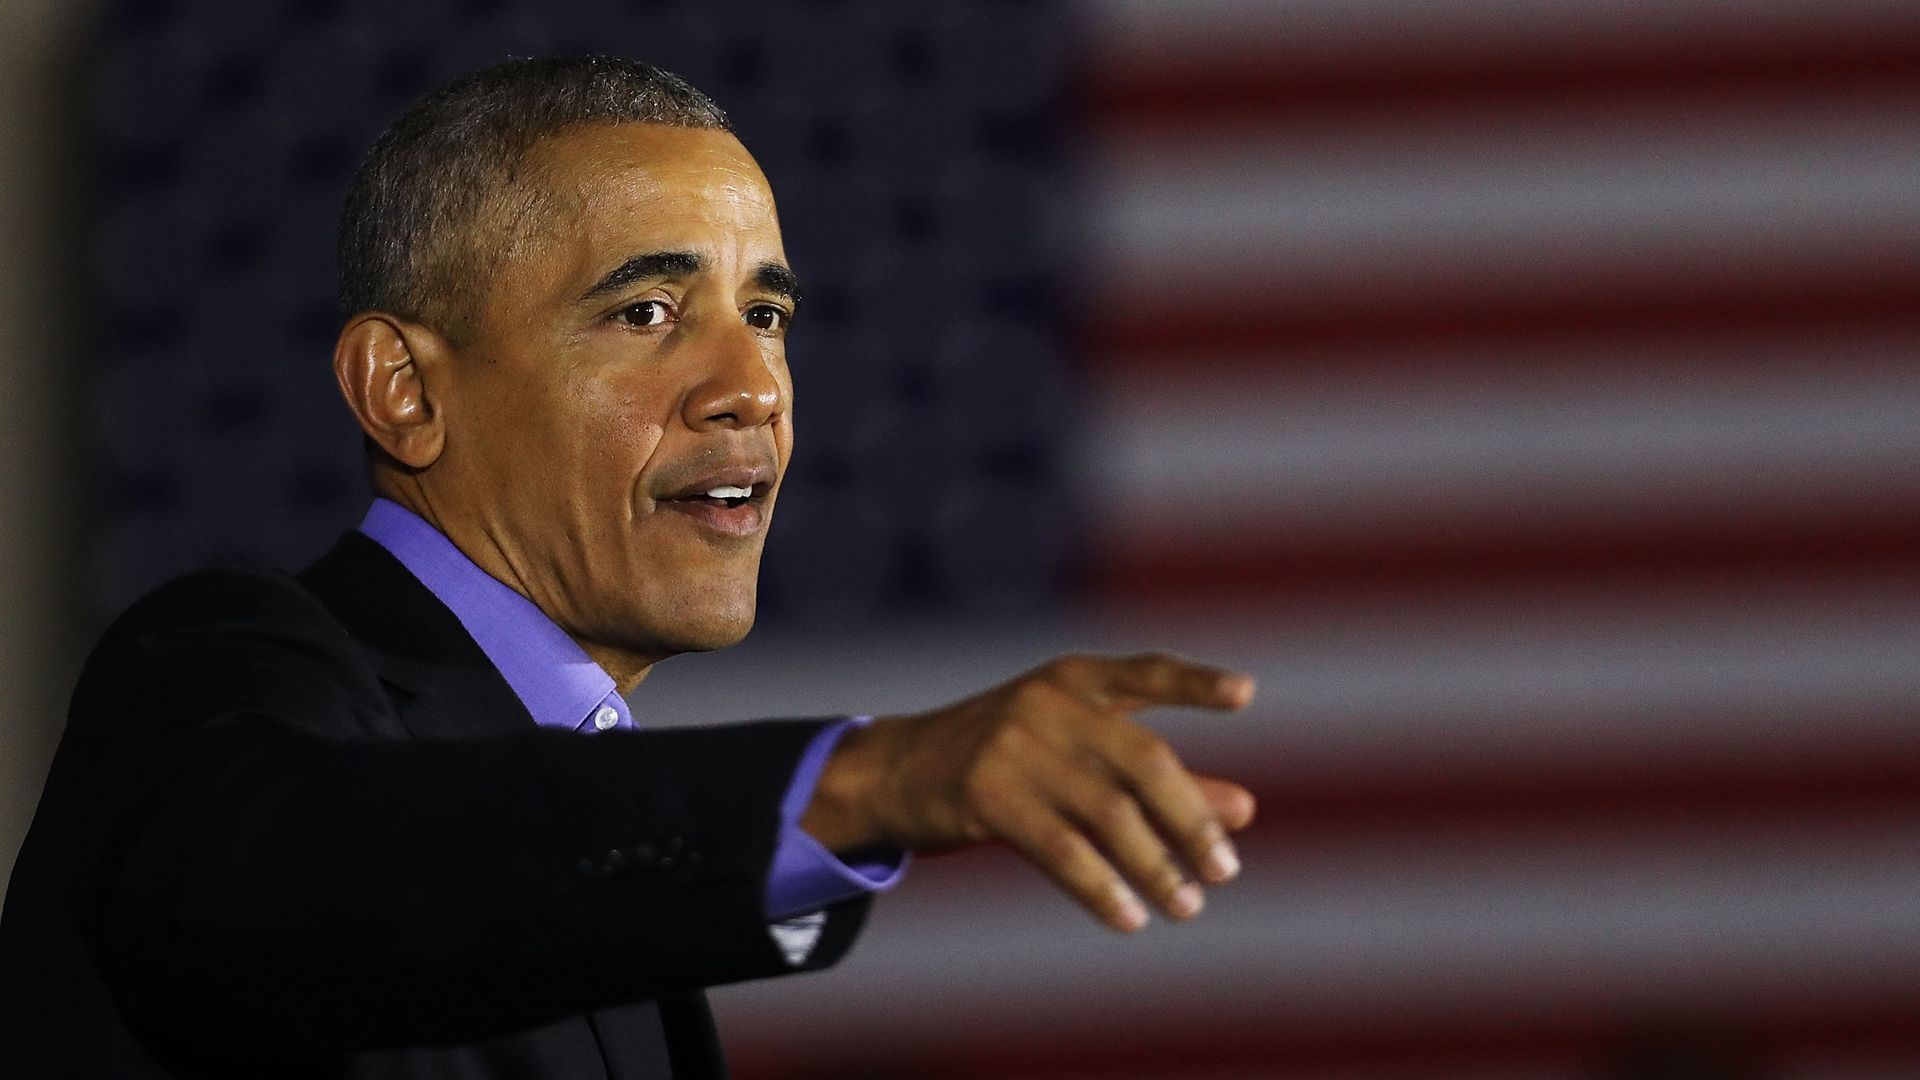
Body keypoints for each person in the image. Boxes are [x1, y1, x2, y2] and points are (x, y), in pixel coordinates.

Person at [0, 56, 1256, 1079]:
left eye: (766, 315)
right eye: (645, 312)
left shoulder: (595, 833)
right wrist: (862, 781)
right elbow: (303, 872)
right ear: (404, 390)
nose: (751, 389)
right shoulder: (227, 670)